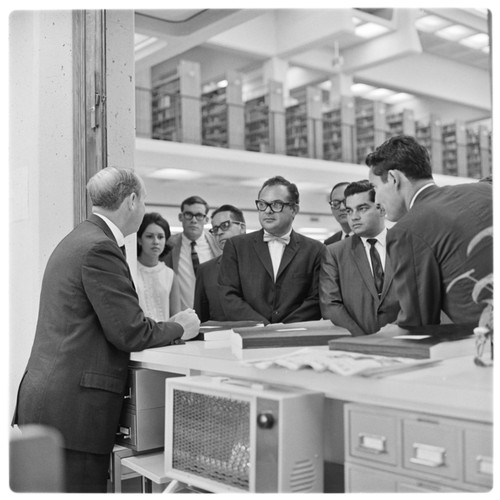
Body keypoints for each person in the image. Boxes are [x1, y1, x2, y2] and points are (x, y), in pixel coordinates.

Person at [12, 167, 200, 493]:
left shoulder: (79, 238)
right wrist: (180, 326)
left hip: (53, 401)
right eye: (143, 202)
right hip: (75, 410)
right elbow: (130, 332)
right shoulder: (100, 248)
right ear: (131, 201)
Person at [367, 134, 493, 327]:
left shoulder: (407, 230)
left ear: (393, 178)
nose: (375, 200)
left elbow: (419, 323)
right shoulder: (486, 189)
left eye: (375, 187)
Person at [219, 175, 326, 324]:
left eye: (276, 204)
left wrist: (283, 328)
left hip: (295, 336)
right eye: (262, 204)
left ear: (294, 209)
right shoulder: (236, 247)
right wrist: (262, 326)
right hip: (250, 335)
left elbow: (315, 300)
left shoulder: (315, 250)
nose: (267, 211)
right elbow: (228, 295)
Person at [319, 180, 399, 336]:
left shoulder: (406, 246)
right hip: (356, 343)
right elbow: (330, 305)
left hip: (403, 340)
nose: (354, 217)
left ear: (381, 209)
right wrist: (363, 339)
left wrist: (397, 331)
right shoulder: (334, 253)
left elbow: (418, 298)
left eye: (362, 209)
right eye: (349, 211)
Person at [164, 195, 221, 310]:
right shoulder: (169, 246)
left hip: (214, 315)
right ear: (181, 217)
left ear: (206, 220)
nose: (194, 220)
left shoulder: (218, 245)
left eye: (199, 215)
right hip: (183, 316)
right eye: (189, 214)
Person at [194, 205, 246, 323]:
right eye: (215, 229)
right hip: (218, 339)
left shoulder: (263, 264)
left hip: (257, 336)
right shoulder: (205, 270)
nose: (219, 232)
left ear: (242, 227)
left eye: (225, 225)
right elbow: (201, 320)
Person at [136, 212, 181, 321]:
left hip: (165, 336)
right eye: (149, 236)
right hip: (137, 335)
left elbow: (176, 318)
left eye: (160, 237)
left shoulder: (169, 274)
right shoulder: (129, 270)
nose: (156, 242)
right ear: (139, 240)